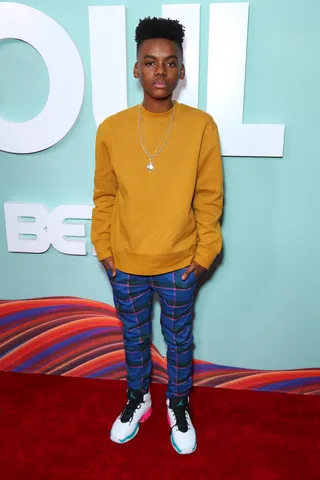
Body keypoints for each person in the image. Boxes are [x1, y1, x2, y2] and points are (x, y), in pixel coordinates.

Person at [91, 16, 223, 455]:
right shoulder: (111, 129)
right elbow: (104, 195)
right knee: (133, 337)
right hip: (125, 262)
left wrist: (205, 254)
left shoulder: (201, 126)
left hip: (180, 262)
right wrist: (104, 249)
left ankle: (178, 404)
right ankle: (138, 398)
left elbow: (209, 196)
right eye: (150, 62)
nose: (160, 71)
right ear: (136, 69)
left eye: (169, 63)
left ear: (182, 70)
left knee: (180, 339)